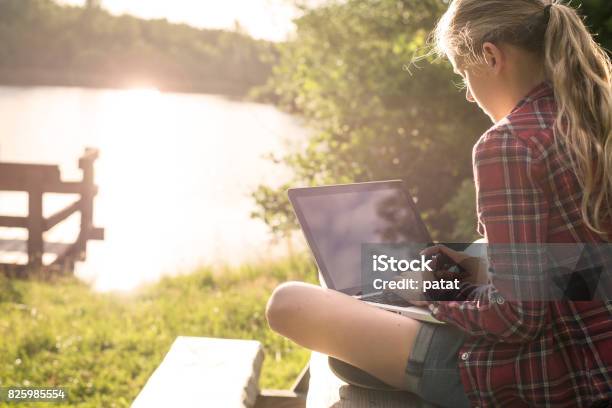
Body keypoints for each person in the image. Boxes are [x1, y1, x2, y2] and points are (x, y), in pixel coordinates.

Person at [265, 1, 612, 407]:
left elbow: (517, 319)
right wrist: (481, 267)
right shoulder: (593, 122)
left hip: (552, 375)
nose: (467, 94)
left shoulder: (509, 142)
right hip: (597, 355)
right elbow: (592, 267)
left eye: (463, 75)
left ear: (491, 56)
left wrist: (432, 295)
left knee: (290, 302)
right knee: (379, 273)